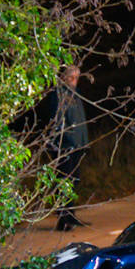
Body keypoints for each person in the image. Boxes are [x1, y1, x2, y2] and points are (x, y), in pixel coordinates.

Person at [43, 63, 90, 230]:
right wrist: (68, 139)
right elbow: (58, 121)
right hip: (64, 146)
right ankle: (64, 218)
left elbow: (81, 120)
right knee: (64, 181)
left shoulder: (76, 94)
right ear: (63, 77)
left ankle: (70, 216)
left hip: (77, 145)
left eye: (76, 77)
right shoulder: (58, 94)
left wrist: (84, 142)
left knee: (74, 180)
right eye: (71, 77)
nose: (74, 80)